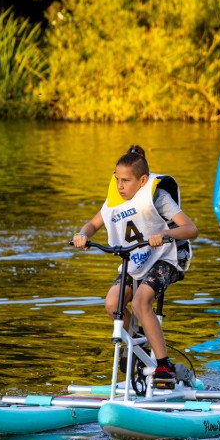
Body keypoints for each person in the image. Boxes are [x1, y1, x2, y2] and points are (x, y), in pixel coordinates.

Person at [72, 145, 198, 386]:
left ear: (142, 180)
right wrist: (82, 235)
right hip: (135, 261)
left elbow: (191, 229)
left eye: (126, 181)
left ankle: (164, 365)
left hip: (166, 257)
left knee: (140, 302)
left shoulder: (157, 197)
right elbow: (91, 225)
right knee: (112, 304)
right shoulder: (113, 202)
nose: (120, 186)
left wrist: (165, 233)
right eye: (117, 179)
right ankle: (138, 341)